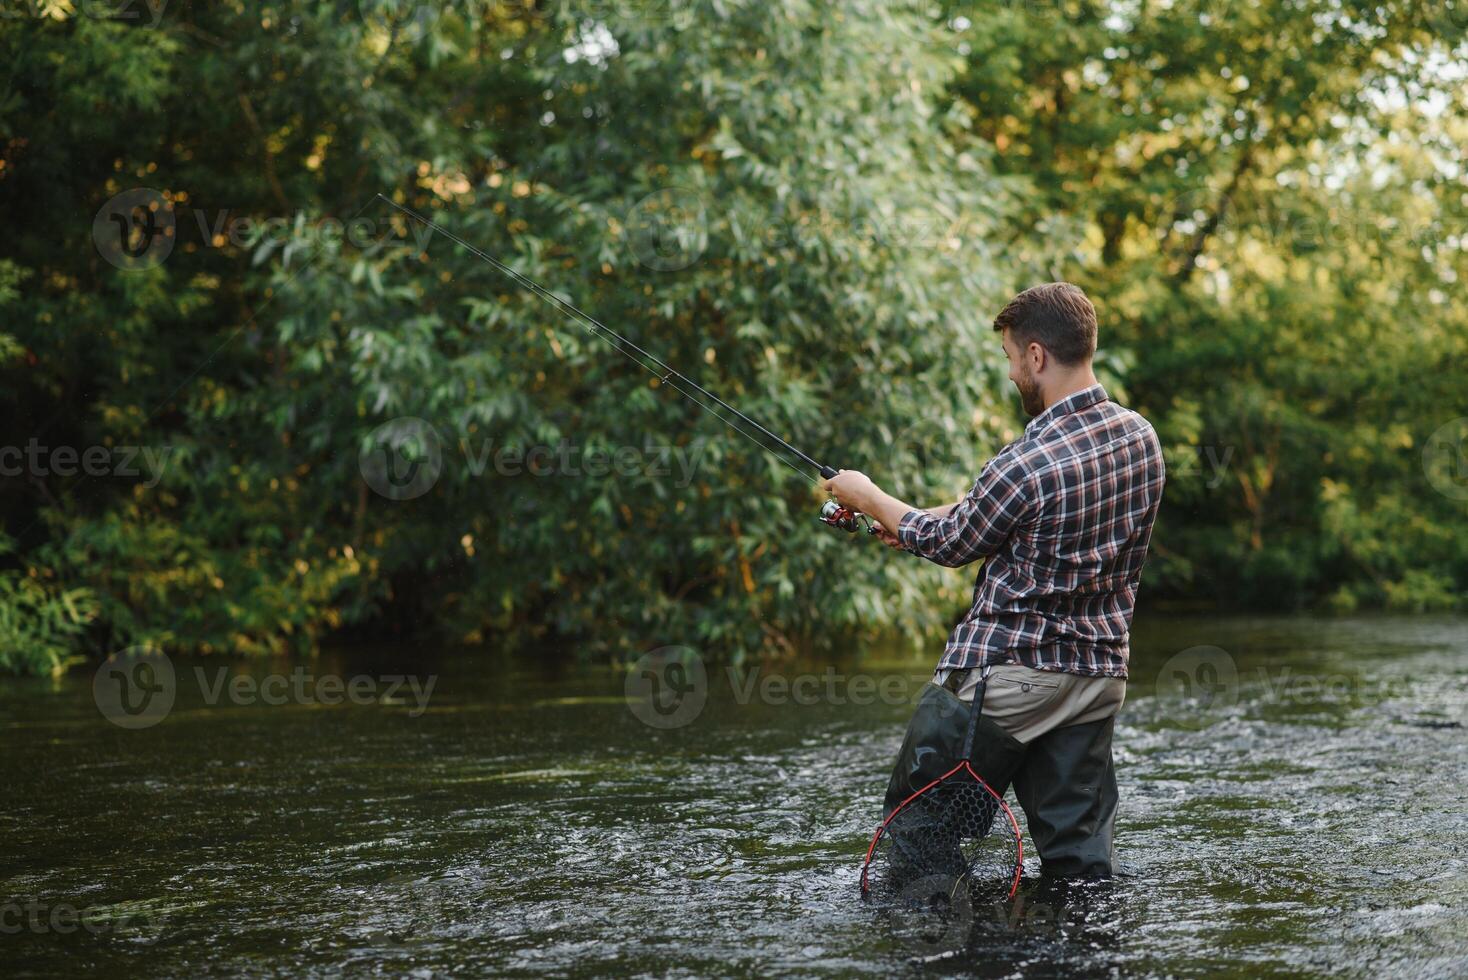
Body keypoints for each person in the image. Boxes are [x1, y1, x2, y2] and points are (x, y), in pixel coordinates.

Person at [823, 282, 1165, 878]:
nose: (1011, 374)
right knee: (1079, 866)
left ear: (1036, 356)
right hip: (1096, 680)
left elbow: (952, 544)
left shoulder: (1024, 463)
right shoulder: (1141, 439)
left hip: (1007, 681)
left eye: (1011, 358)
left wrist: (869, 496)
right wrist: (906, 518)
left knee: (915, 844)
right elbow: (992, 518)